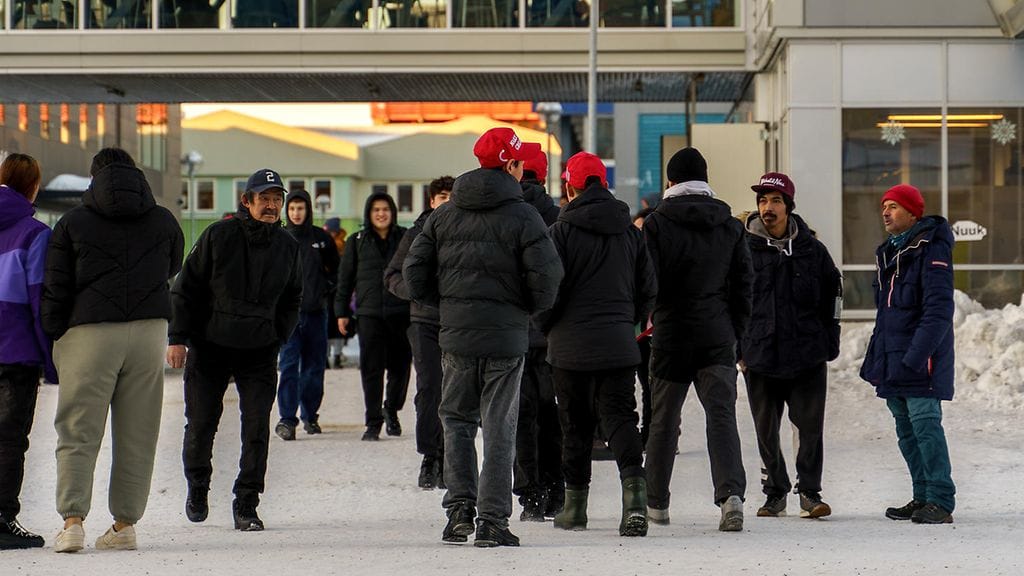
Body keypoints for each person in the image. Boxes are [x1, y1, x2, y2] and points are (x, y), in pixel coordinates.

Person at [404, 127, 563, 548]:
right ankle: (492, 521)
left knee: (456, 422)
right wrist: (525, 308)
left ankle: (459, 512)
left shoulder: (445, 213)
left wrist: (449, 304)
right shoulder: (525, 215)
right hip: (507, 339)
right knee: (499, 427)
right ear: (512, 165)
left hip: (456, 336)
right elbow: (548, 277)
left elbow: (414, 274)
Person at [42, 148, 183, 552]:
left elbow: (57, 284)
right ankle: (124, 526)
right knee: (138, 431)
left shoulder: (72, 222)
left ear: (94, 177)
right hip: (149, 330)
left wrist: (54, 332)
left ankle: (72, 522)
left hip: (90, 331)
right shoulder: (163, 219)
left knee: (78, 430)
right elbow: (171, 265)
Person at [168, 168, 302, 532]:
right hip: (210, 346)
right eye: (265, 199)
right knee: (200, 425)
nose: (272, 205)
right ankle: (198, 485)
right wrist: (178, 337)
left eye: (277, 199)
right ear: (247, 201)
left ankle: (247, 502)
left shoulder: (288, 246)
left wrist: (279, 335)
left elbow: (293, 296)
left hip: (259, 350)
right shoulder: (218, 235)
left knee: (256, 427)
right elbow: (186, 287)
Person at [540, 152, 656, 537]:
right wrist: (628, 323)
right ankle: (635, 503)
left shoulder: (559, 232)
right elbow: (648, 290)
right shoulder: (630, 232)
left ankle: (575, 509)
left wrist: (548, 327)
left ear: (570, 187)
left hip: (569, 348)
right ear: (604, 184)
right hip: (619, 344)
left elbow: (548, 291)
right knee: (621, 419)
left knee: (575, 426)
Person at [643, 147, 751, 532]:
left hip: (672, 336)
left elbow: (648, 282)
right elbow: (743, 286)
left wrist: (649, 318)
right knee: (721, 417)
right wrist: (736, 333)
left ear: (671, 181)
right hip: (717, 335)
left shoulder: (656, 224)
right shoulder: (730, 225)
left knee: (663, 422)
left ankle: (655, 503)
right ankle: (731, 497)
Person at [739, 172, 842, 519]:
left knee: (810, 428)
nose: (768, 208)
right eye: (763, 201)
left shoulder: (813, 250)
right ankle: (775, 493)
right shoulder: (743, 249)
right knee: (766, 430)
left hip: (807, 354)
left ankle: (810, 492)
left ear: (789, 206)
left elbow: (835, 295)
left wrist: (830, 340)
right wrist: (738, 350)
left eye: (775, 201)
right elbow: (731, 300)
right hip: (760, 354)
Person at [860, 184, 957, 525]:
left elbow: (939, 311)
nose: (886, 212)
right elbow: (886, 316)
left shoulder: (931, 250)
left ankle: (941, 501)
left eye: (894, 207)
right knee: (907, 432)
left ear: (914, 212)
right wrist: (879, 359)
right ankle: (922, 496)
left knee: (926, 428)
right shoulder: (889, 252)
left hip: (920, 362)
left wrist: (916, 359)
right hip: (893, 359)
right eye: (884, 206)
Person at [384, 175, 453, 489]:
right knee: (429, 388)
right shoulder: (416, 234)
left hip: (460, 322)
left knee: (456, 392)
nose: (447, 202)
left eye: (452, 196)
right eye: (441, 197)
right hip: (424, 321)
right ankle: (430, 456)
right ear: (431, 201)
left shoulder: (466, 231)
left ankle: (452, 457)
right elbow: (393, 274)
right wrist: (415, 291)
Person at [0, 153, 53, 550]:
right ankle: (3, 519)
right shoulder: (34, 233)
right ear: (33, 185)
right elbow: (39, 300)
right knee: (10, 438)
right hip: (16, 352)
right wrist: (51, 362)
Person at [513, 150, 565, 522]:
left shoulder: (506, 215)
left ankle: (528, 494)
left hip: (514, 333)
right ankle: (555, 488)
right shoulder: (559, 218)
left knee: (520, 418)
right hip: (553, 335)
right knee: (553, 417)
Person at [335, 192, 411, 441]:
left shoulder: (405, 238)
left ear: (393, 212)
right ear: (369, 213)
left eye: (386, 209)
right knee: (371, 369)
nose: (381, 214)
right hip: (369, 314)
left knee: (400, 367)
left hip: (400, 312)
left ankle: (391, 409)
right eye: (376, 209)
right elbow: (344, 279)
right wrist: (342, 312)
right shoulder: (357, 240)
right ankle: (373, 422)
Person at [275, 189, 340, 441]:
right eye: (292, 209)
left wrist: (326, 288)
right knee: (289, 366)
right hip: (288, 317)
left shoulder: (321, 239)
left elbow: (336, 269)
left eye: (300, 208)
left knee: (314, 368)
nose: (296, 213)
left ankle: (310, 415)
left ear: (308, 210)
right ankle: (287, 419)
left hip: (316, 313)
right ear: (287, 211)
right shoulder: (279, 238)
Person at [323, 217, 348, 369]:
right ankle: (332, 357)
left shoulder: (339, 246)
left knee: (332, 325)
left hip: (336, 290)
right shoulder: (340, 245)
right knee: (330, 325)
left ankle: (333, 356)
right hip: (331, 290)